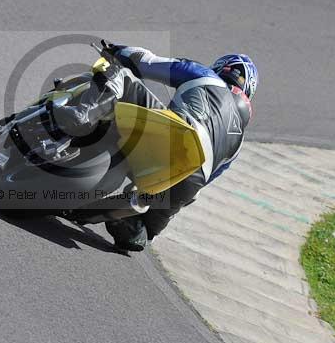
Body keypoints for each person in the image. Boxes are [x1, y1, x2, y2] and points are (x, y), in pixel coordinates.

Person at [52, 41, 257, 252]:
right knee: (142, 232)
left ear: (222, 69)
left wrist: (117, 50)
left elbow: (145, 62)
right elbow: (206, 182)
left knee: (120, 73)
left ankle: (83, 113)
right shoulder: (238, 143)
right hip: (187, 180)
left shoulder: (205, 76)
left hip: (174, 134)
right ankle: (130, 223)